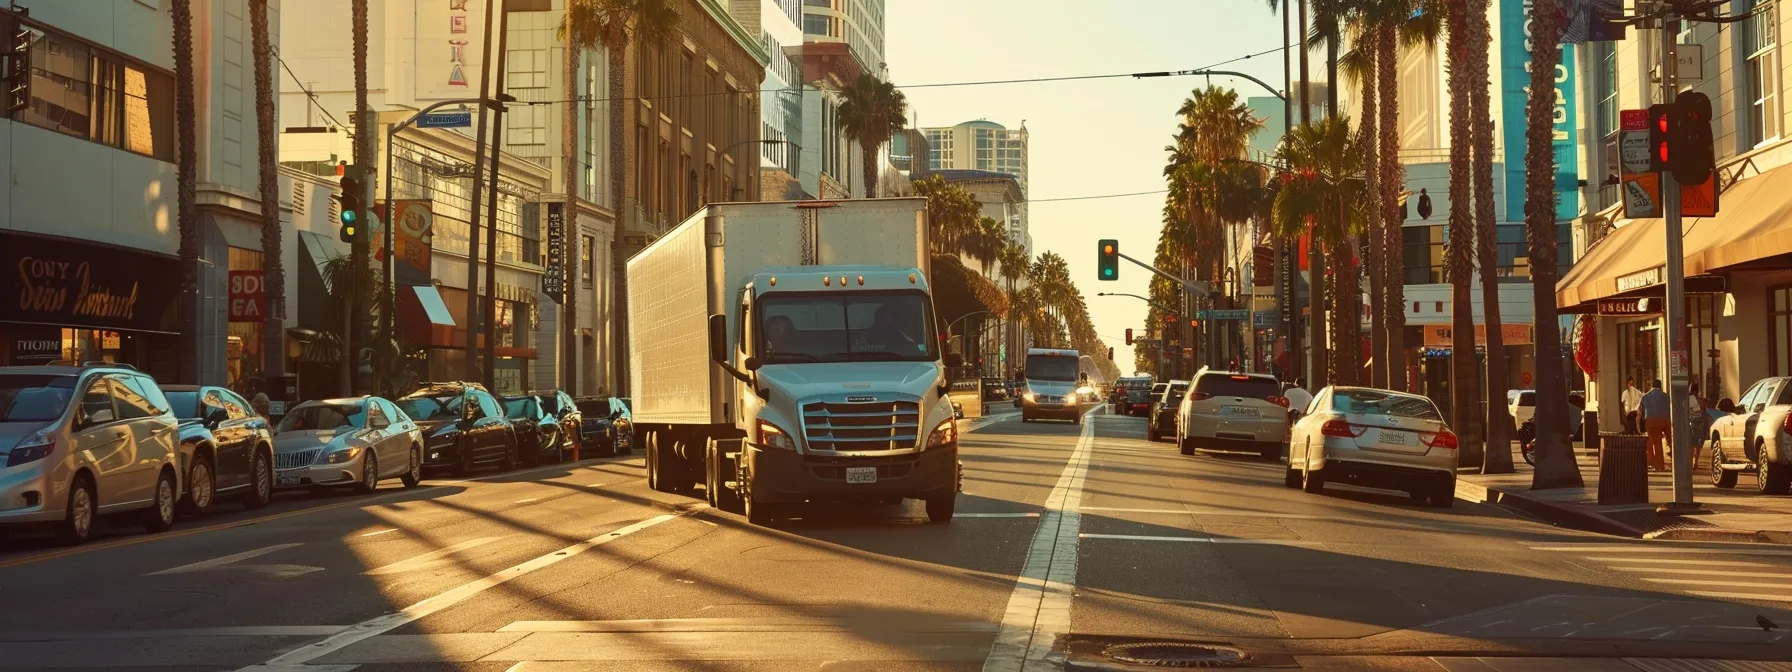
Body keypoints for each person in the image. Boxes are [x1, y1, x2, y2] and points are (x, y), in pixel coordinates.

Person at [1639, 378, 1672, 471]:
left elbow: (1639, 412)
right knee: (1670, 441)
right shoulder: (1666, 396)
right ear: (1660, 386)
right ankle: (1674, 460)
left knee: (1656, 444)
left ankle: (1658, 465)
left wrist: (1639, 426)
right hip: (1666, 420)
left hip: (1652, 421)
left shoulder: (1645, 397)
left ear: (1652, 386)